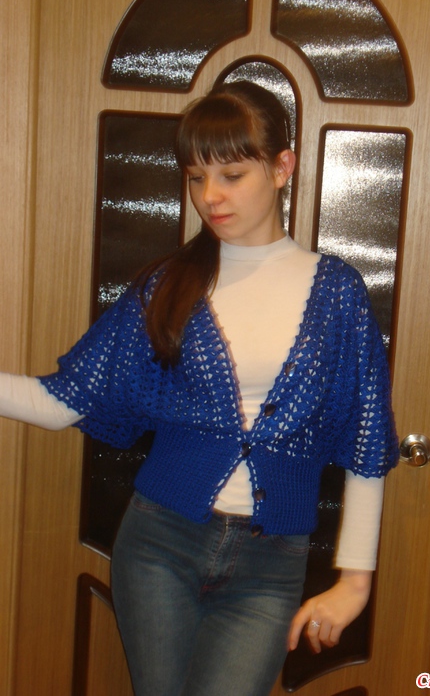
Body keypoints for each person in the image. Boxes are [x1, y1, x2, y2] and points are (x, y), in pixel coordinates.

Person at [0, 80, 398, 696]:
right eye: (195, 177)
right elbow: (64, 401)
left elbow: (367, 443)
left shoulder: (338, 293)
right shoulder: (168, 285)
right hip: (159, 544)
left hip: (271, 565)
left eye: (232, 175)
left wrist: (354, 582)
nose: (210, 196)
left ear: (282, 168)